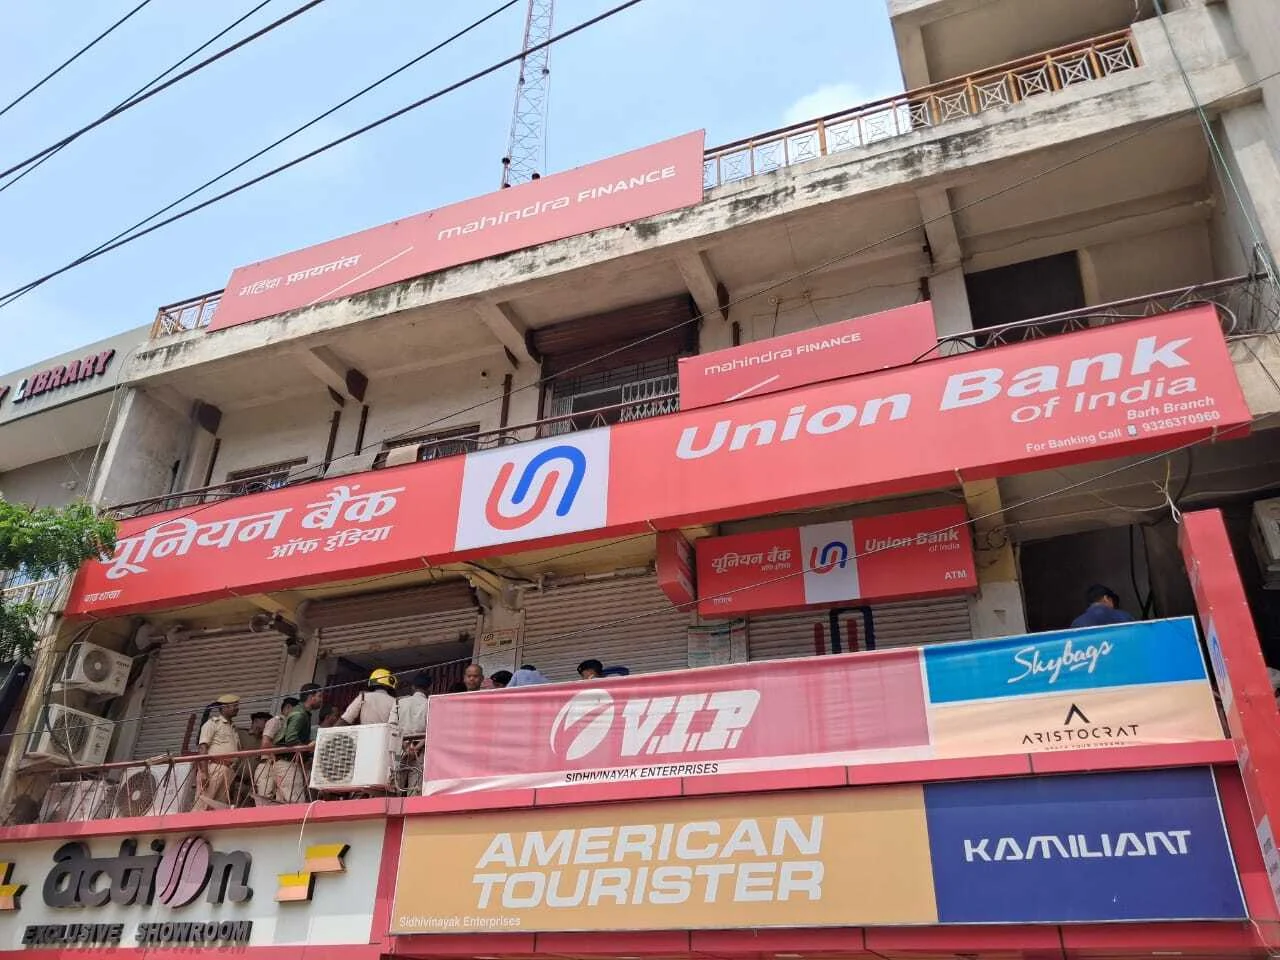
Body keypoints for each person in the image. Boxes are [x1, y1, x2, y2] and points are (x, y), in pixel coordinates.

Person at [274, 684, 323, 804]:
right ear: (311, 697)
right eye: (319, 696)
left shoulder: (301, 713)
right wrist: (308, 747)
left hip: (287, 763)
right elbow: (291, 739)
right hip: (288, 764)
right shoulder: (300, 714)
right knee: (296, 803)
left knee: (284, 804)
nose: (321, 700)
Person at [195, 694, 241, 811]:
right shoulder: (213, 723)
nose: (237, 708)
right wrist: (204, 772)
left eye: (237, 705)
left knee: (218, 808)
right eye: (234, 705)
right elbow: (203, 748)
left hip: (227, 770)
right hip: (214, 768)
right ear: (224, 707)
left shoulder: (233, 728)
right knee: (203, 805)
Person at [398, 672, 431, 793]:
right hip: (420, 751)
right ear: (429, 688)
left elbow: (392, 727)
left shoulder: (399, 703)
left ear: (413, 687)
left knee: (396, 785)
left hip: (400, 750)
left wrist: (406, 747)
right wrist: (416, 748)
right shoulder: (430, 703)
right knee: (415, 789)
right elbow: (431, 730)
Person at [1071, 585, 1136, 628]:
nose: (1113, 607)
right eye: (1112, 601)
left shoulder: (1077, 623)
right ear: (1106, 598)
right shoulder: (1125, 617)